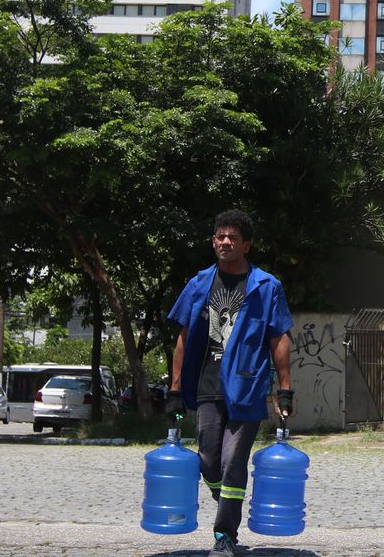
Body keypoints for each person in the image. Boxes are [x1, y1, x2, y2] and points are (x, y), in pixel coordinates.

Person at [167, 209, 294, 557]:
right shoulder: (198, 284)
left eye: (233, 237)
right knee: (209, 461)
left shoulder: (266, 287)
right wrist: (175, 389)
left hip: (247, 387)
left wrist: (284, 389)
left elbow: (279, 338)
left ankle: (225, 535)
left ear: (246, 245)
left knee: (233, 461)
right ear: (213, 241)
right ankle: (223, 495)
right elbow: (183, 338)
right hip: (207, 385)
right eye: (220, 236)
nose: (225, 242)